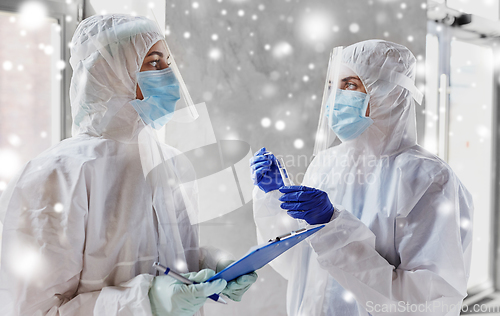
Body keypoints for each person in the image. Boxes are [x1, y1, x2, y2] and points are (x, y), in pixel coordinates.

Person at [0, 14, 255, 316]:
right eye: (154, 63)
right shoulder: (56, 175)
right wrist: (144, 301)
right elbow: (34, 310)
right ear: (110, 72)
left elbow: (162, 254)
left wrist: (211, 266)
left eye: (168, 63)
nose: (170, 76)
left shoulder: (170, 163)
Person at [250, 40, 473, 315]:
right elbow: (300, 264)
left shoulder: (427, 180)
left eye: (351, 85)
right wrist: (276, 199)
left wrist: (333, 230)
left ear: (389, 91)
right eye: (333, 85)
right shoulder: (326, 164)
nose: (336, 97)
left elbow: (426, 303)